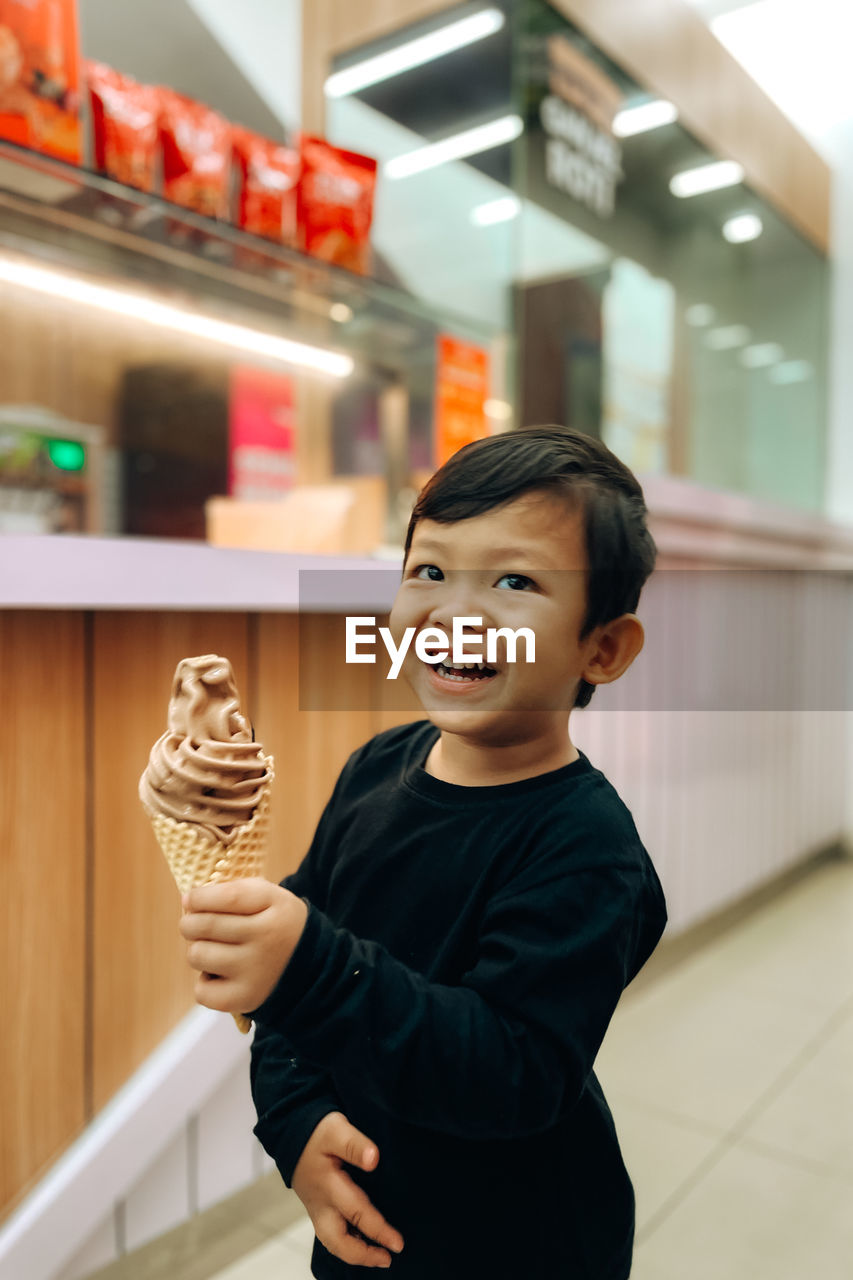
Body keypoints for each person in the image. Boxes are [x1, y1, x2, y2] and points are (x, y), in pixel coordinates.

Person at [180, 425, 668, 1279]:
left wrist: (308, 968)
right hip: (370, 1232)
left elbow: (514, 1073)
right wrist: (293, 1122)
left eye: (514, 581)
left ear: (602, 647)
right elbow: (295, 994)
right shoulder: (375, 767)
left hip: (519, 1244)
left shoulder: (587, 852)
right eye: (429, 571)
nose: (454, 611)